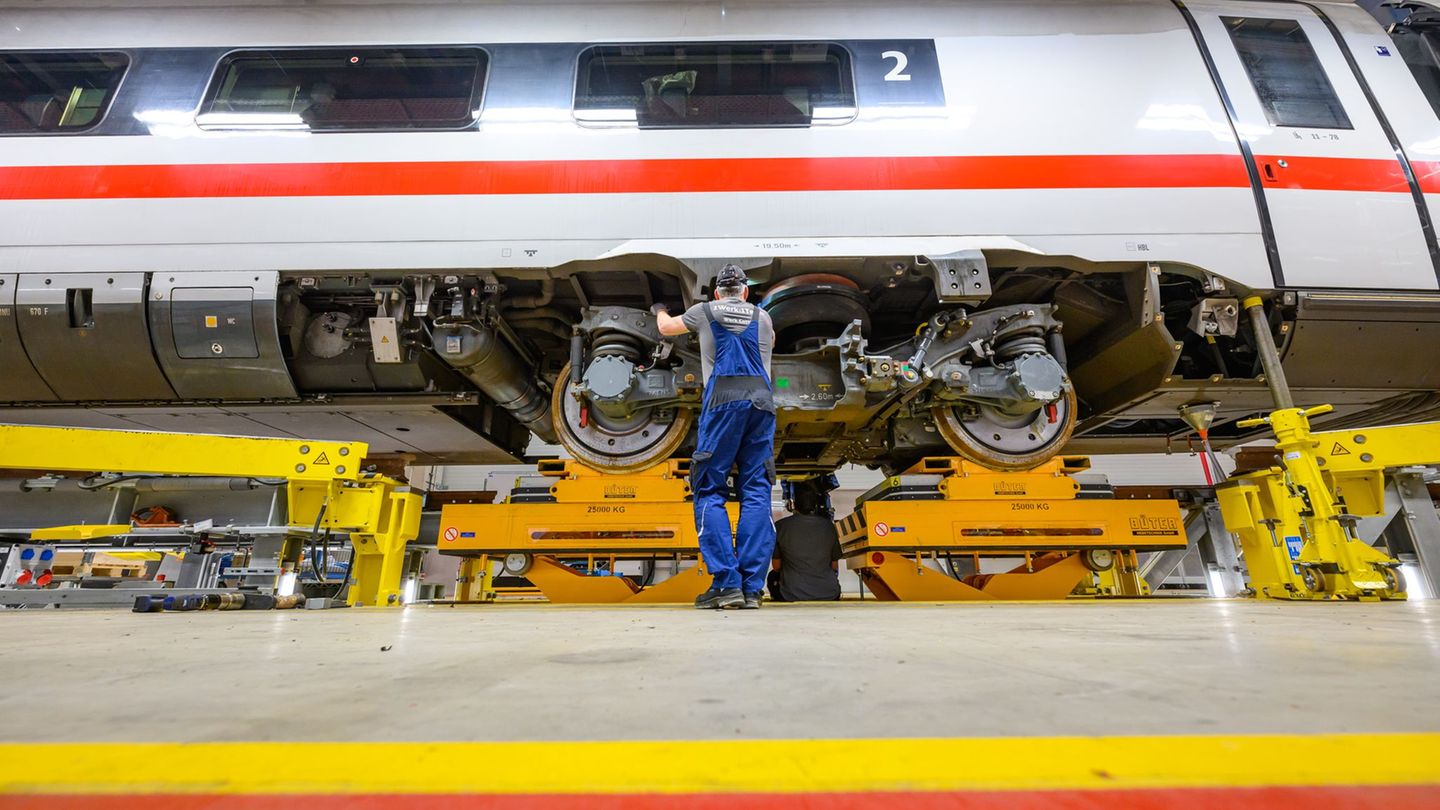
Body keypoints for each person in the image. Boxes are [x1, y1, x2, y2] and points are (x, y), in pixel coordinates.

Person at [653, 264, 776, 610]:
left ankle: (726, 584)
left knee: (709, 488)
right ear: (746, 292)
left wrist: (659, 308)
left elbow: (666, 328)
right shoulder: (763, 318)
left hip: (723, 401)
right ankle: (752, 588)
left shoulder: (704, 311)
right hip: (763, 403)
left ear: (718, 292)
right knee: (757, 489)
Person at [768, 478, 842, 602]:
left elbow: (776, 567)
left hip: (791, 594)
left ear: (794, 504)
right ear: (815, 504)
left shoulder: (780, 526)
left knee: (772, 576)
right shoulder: (829, 526)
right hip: (830, 594)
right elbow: (834, 566)